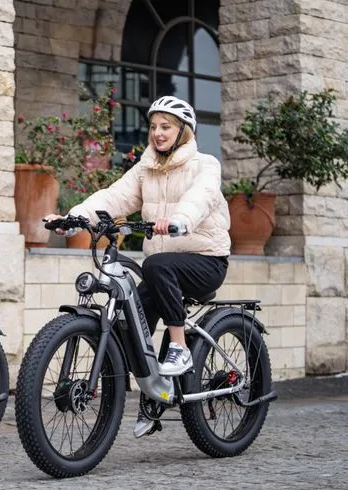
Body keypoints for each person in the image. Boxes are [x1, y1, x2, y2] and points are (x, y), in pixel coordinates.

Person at [46, 95, 231, 438]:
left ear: (184, 132)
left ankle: (179, 347)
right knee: (131, 324)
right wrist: (73, 219)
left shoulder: (205, 164)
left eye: (167, 127)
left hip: (205, 259)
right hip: (165, 272)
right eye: (154, 127)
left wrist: (179, 220)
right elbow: (113, 196)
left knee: (157, 265)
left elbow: (201, 197)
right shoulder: (146, 169)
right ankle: (155, 394)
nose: (158, 134)